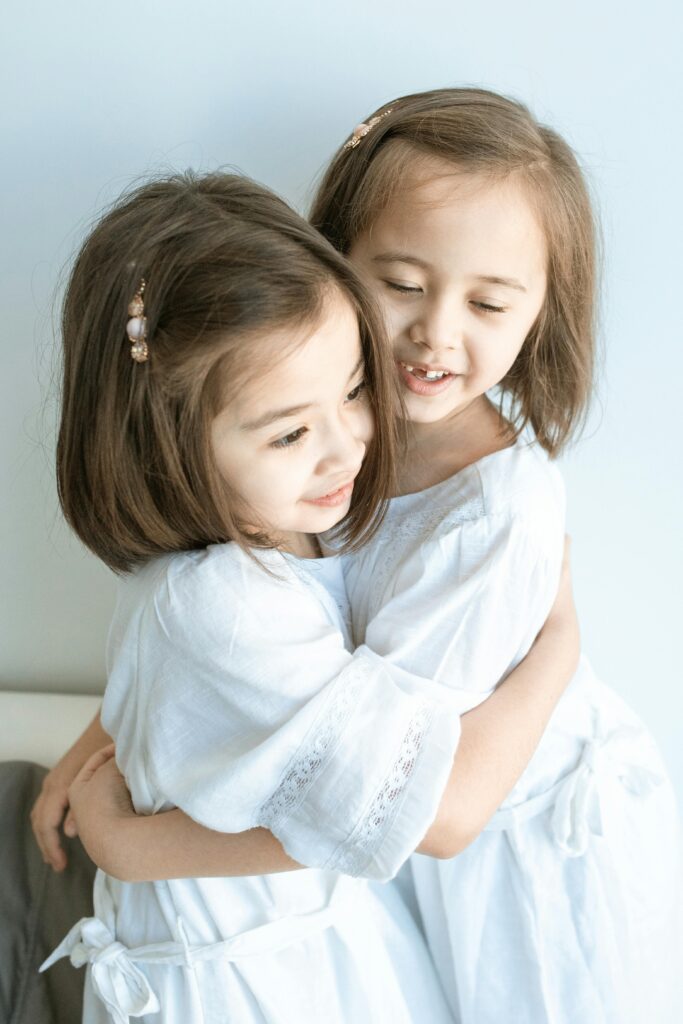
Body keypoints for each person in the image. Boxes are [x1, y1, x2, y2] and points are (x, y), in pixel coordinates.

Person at [61, 90, 682, 1023]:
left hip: (518, 850)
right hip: (406, 844)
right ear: (333, 259)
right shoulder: (314, 425)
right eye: (400, 284)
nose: (435, 332)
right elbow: (240, 669)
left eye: (487, 301)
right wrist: (107, 735)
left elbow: (434, 808)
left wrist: (557, 644)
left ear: (540, 311)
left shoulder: (490, 511)